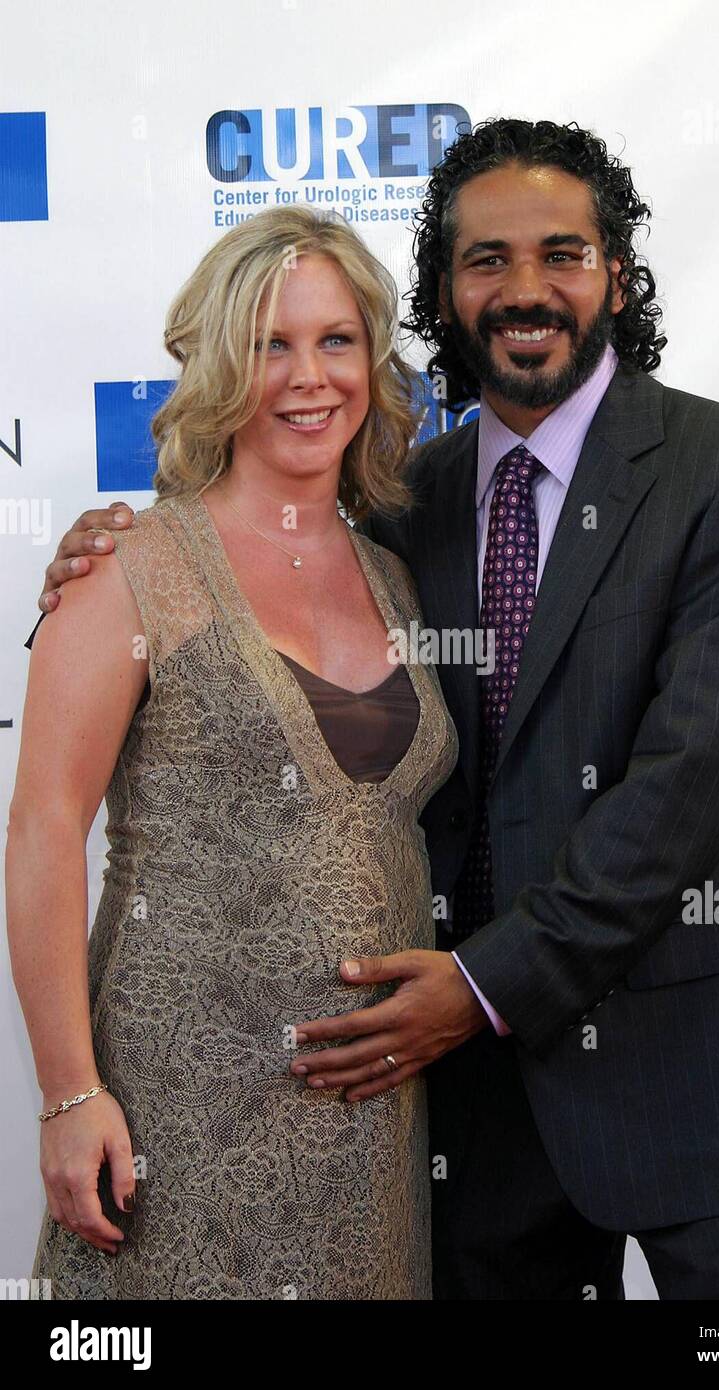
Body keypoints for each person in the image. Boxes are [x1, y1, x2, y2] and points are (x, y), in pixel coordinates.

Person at [28, 118, 719, 1301]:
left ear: (615, 273)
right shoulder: (403, 506)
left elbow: (685, 786)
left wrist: (478, 987)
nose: (527, 290)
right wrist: (101, 556)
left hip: (699, 1078)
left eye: (563, 254)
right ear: (445, 295)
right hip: (470, 1113)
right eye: (487, 262)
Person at [7, 205, 463, 1300]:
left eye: (336, 340)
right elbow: (42, 829)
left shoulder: (395, 577)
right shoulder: (132, 563)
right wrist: (71, 1095)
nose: (310, 376)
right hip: (172, 1111)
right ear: (221, 363)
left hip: (369, 1119)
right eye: (271, 343)